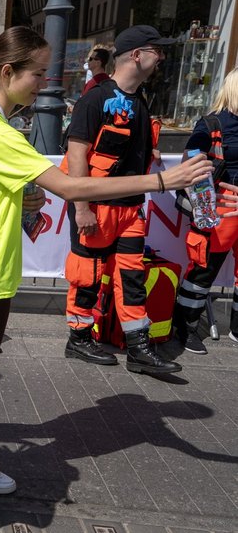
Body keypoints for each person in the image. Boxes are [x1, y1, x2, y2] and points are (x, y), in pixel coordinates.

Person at [0, 26, 214, 495]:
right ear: (7, 72)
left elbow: (24, 191)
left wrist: (23, 202)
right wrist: (164, 182)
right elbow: (74, 186)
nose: (44, 83)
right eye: (38, 74)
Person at [62, 25, 189, 375]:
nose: (160, 57)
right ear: (137, 55)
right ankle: (78, 338)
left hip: (132, 209)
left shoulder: (139, 100)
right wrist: (82, 208)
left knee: (132, 278)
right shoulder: (95, 98)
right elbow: (77, 156)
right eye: (156, 51)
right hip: (97, 209)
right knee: (87, 275)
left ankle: (138, 349)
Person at [173, 67, 238, 352]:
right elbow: (192, 166)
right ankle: (185, 328)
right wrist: (205, 210)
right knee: (202, 273)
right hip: (219, 211)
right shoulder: (212, 123)